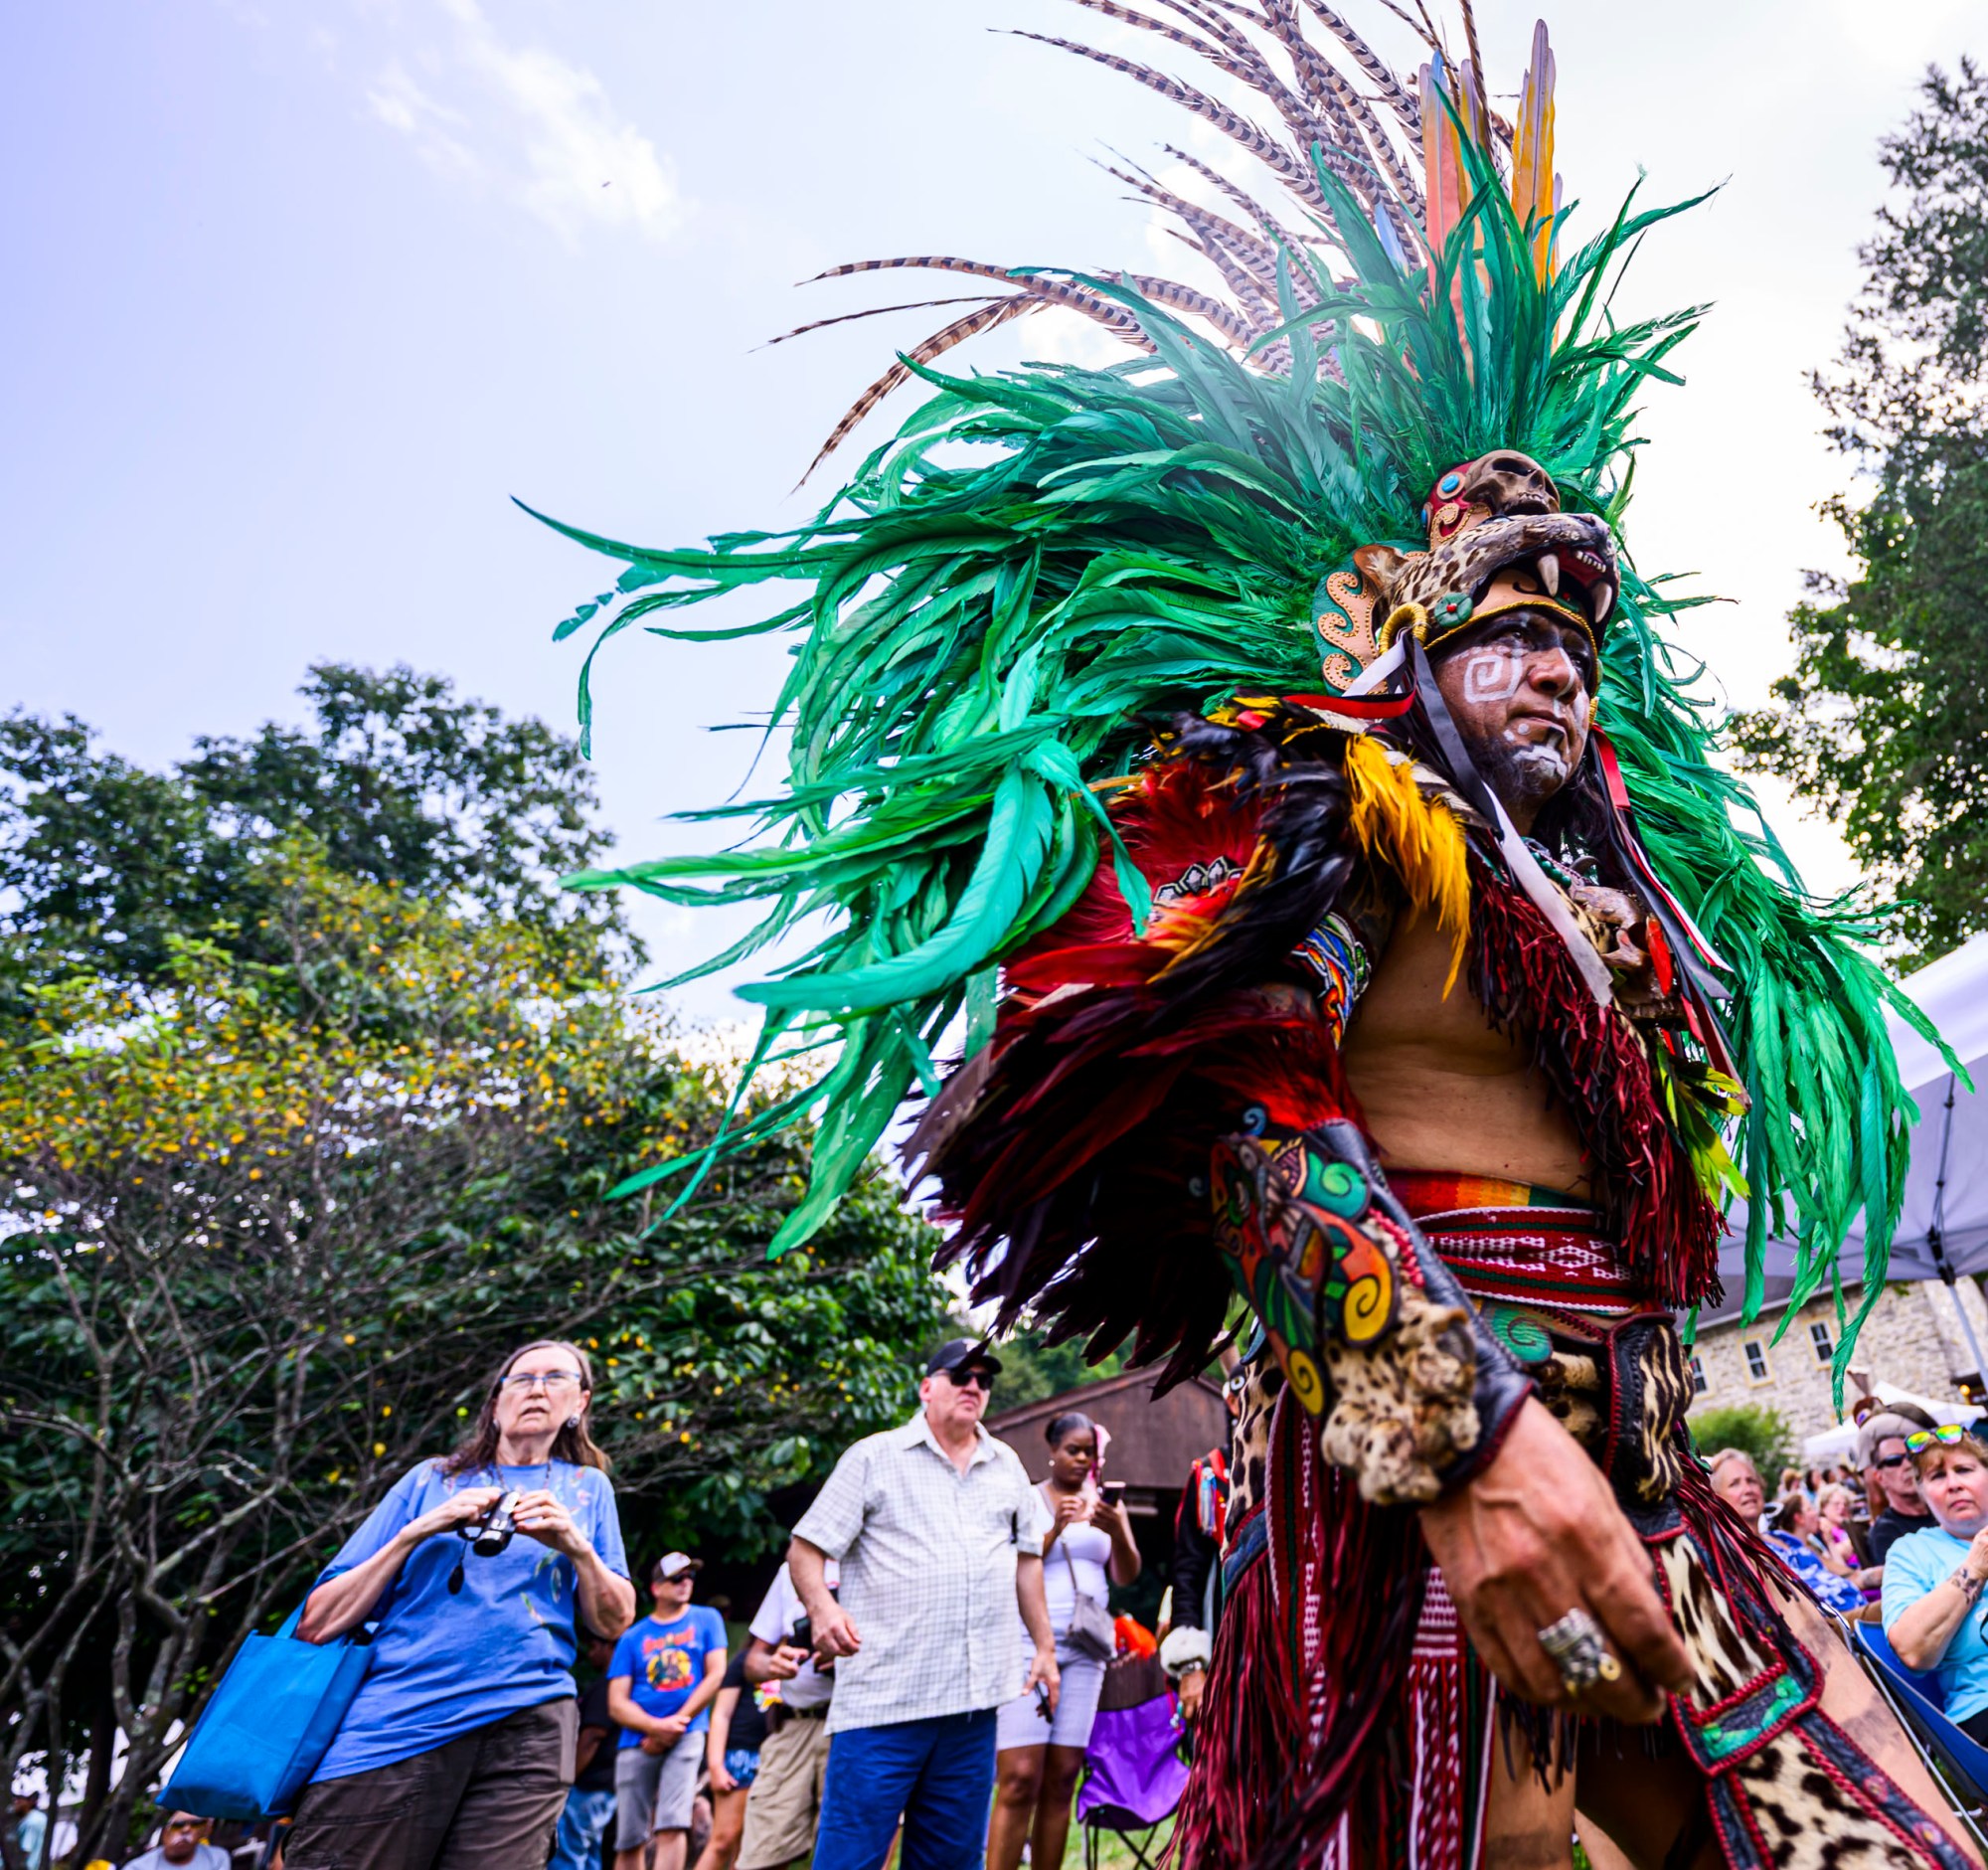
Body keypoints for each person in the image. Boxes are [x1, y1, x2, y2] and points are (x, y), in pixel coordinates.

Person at [545, 0, 1978, 1861]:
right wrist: (1458, 1429)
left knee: (1874, 1837)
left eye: (1579, 640)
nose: (1555, 666)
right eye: (1508, 632)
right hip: (1421, 1495)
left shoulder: (1631, 912)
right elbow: (1213, 1098)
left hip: (1654, 1482)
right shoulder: (1319, 803)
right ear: (1413, 646)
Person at [284, 1340, 632, 1870]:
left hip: (529, 1729)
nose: (537, 1388)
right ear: (495, 1406)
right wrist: (420, 1530)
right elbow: (318, 1622)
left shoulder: (588, 1489)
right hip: (400, 1723)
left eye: (556, 1377)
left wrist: (577, 1546)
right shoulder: (431, 1480)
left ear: (579, 1403)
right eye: (521, 1379)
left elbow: (614, 1620)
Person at [787, 1339, 1058, 1870]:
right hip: (884, 1708)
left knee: (950, 1864)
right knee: (850, 1860)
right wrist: (823, 1611)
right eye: (961, 1375)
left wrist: (1045, 1647)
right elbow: (807, 1548)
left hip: (972, 1710)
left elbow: (1029, 1561)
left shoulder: (1005, 1464)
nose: (974, 1386)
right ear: (927, 1387)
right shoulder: (874, 1457)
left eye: (984, 1379)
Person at [988, 1410, 1142, 1870]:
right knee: (1019, 1777)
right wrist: (1055, 1526)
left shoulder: (1106, 1503)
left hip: (1087, 1652)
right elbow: (1015, 1565)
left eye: (1089, 1452)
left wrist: (1115, 1530)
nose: (1082, 1459)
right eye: (1073, 1450)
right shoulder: (1030, 1499)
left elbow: (1127, 1573)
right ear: (1051, 1451)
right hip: (1029, 1646)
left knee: (1062, 1777)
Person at [608, 1554, 728, 1870]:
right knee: (629, 1834)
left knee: (673, 1821)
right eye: (677, 1578)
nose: (685, 1582)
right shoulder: (632, 1636)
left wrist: (677, 1724)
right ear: (657, 1587)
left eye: (690, 1576)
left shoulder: (707, 1619)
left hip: (687, 1733)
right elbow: (616, 1702)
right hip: (637, 1740)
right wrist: (654, 1728)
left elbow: (716, 1675)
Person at [1884, 1428, 1988, 1743]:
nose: (1954, 1484)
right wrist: (1976, 1566)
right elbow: (1912, 1650)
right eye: (1937, 1476)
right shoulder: (1911, 1552)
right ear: (1923, 1492)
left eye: (1964, 1470)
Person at [734, 1560, 837, 1870]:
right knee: (761, 1852)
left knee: (853, 1849)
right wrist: (773, 1666)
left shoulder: (887, 1557)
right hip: (793, 1723)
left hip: (854, 1724)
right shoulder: (794, 1568)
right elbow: (752, 1661)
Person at [549, 1627, 621, 1870]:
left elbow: (592, 1737)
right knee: (589, 1854)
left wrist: (567, 1778)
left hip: (589, 1785)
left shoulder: (607, 1686)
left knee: (567, 1854)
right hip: (607, 1787)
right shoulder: (622, 1686)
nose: (590, 1654)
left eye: (594, 1647)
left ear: (609, 1646)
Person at [692, 1646, 766, 1870]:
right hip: (739, 1758)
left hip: (775, 1756)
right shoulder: (746, 1660)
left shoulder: (800, 1660)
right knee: (724, 1839)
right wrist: (715, 1766)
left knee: (751, 1847)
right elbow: (720, 1715)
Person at [1864, 1405, 1943, 1562]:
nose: (1907, 1465)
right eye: (1893, 1461)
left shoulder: (1942, 1509)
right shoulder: (1885, 1533)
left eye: (1910, 1456)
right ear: (1879, 1477)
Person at [116, 1811, 229, 1870]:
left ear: (205, 1830)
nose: (186, 1829)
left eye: (195, 1824)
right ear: (165, 1833)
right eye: (178, 1825)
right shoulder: (138, 1867)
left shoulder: (216, 1857)